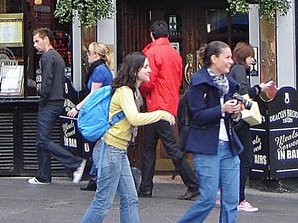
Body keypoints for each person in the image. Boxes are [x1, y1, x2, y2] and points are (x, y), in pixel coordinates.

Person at [80, 52, 175, 223]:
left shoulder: (131, 91)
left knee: (130, 198)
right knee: (103, 202)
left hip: (117, 151)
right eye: (145, 67)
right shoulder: (125, 91)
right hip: (110, 151)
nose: (150, 70)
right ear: (134, 70)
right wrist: (161, 114)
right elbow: (134, 118)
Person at [177, 40, 244, 223]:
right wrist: (222, 109)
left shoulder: (230, 83)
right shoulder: (198, 82)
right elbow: (198, 116)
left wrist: (236, 113)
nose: (231, 61)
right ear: (214, 58)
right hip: (207, 147)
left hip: (229, 146)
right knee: (207, 198)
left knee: (231, 200)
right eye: (227, 57)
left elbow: (230, 118)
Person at [138, 20, 199, 200]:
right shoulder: (175, 53)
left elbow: (148, 82)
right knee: (149, 146)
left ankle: (193, 184)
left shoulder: (151, 52)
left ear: (151, 34)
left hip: (156, 106)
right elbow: (179, 79)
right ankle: (145, 187)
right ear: (167, 35)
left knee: (169, 148)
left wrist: (138, 88)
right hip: (170, 103)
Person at [28, 28, 86, 186]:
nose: (35, 45)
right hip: (59, 101)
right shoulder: (58, 57)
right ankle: (43, 175)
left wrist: (42, 96)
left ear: (46, 39)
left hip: (50, 102)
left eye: (37, 41)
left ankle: (75, 162)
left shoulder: (47, 57)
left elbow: (46, 81)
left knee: (42, 140)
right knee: (42, 140)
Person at [67, 42, 115, 191]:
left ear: (96, 55)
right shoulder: (102, 69)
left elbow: (93, 95)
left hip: (99, 113)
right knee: (99, 144)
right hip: (102, 112)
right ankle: (95, 176)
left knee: (97, 144)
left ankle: (96, 177)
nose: (87, 55)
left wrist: (77, 108)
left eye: (89, 53)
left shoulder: (99, 71)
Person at [229, 42, 258, 213]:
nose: (253, 60)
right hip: (241, 120)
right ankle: (239, 198)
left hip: (234, 121)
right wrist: (258, 89)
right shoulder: (239, 70)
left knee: (233, 159)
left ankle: (228, 194)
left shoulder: (233, 69)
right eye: (251, 56)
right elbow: (244, 92)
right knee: (246, 159)